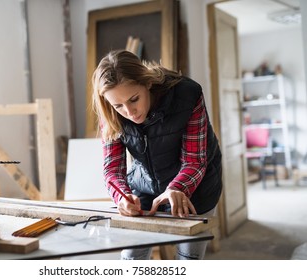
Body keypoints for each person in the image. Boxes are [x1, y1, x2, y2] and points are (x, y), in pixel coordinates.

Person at [92, 50, 222, 260]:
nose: (129, 112)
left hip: (197, 184)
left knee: (188, 259)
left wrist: (177, 188)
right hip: (146, 183)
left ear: (147, 83)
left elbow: (195, 160)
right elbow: (112, 169)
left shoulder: (187, 95)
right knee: (132, 257)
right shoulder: (110, 112)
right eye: (118, 106)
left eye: (134, 99)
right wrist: (122, 197)